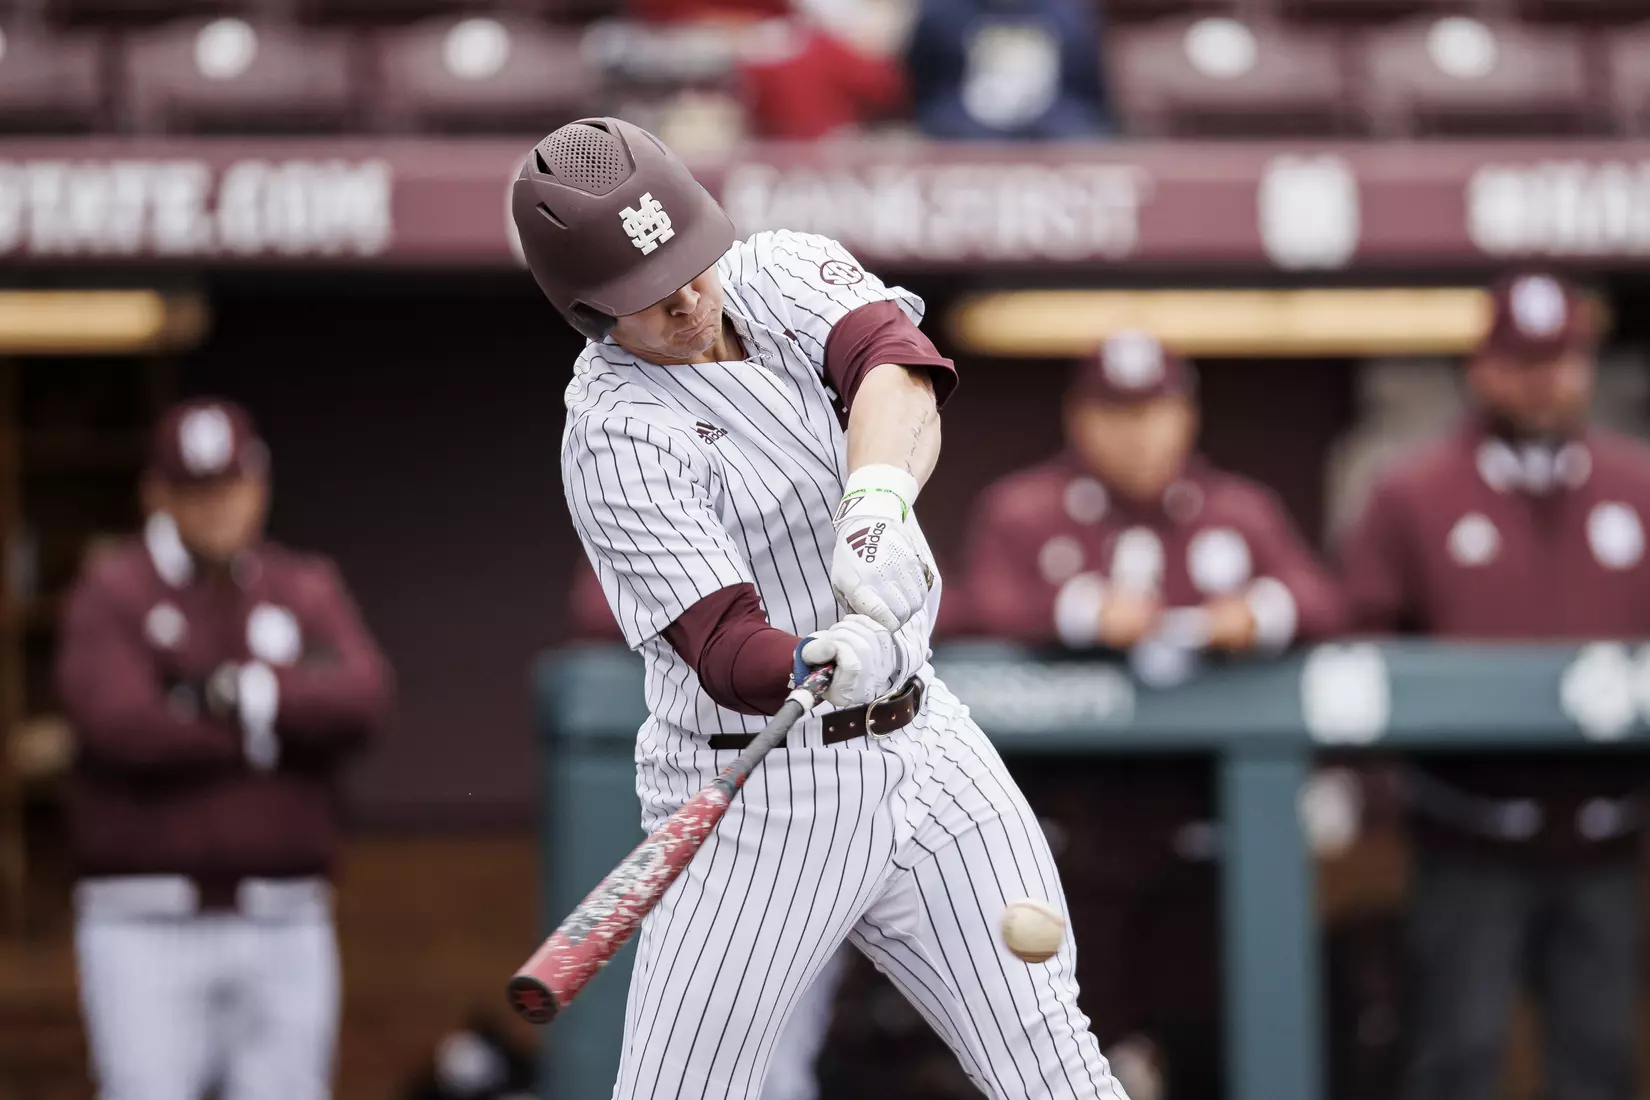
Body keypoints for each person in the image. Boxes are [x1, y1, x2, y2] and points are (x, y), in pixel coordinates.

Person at [513, 116, 1128, 1100]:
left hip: (927, 749)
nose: (683, 294)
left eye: (686, 259)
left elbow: (894, 360)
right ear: (587, 311)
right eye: (644, 291)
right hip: (760, 792)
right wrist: (815, 655)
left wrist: (874, 503)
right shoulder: (614, 434)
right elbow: (722, 644)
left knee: (1054, 1054)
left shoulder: (778, 269)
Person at [959, 331, 1344, 1100]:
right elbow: (971, 608)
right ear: (1079, 418)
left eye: (1154, 411)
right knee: (1060, 1054)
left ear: (1187, 416)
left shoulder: (1238, 509)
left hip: (1204, 836)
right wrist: (1079, 613)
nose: (1137, 432)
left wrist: (1257, 614)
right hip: (1063, 839)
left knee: (1214, 1047)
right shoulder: (1026, 509)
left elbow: (1327, 600)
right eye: (1115, 412)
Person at [1341, 271, 1649, 1100]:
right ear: (1483, 368)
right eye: (1524, 360)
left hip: (1608, 835)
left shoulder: (1637, 486)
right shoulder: (1414, 489)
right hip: (1466, 831)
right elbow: (1358, 643)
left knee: (1601, 1060)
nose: (1545, 379)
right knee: (1458, 1056)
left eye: (1562, 359)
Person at [56, 398, 392, 1100]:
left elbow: (363, 697)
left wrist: (240, 697)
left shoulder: (302, 584)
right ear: (158, 494)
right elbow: (122, 726)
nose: (217, 509)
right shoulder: (112, 590)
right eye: (194, 491)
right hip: (146, 922)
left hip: (284, 915)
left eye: (230, 487)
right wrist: (279, 728)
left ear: (259, 484)